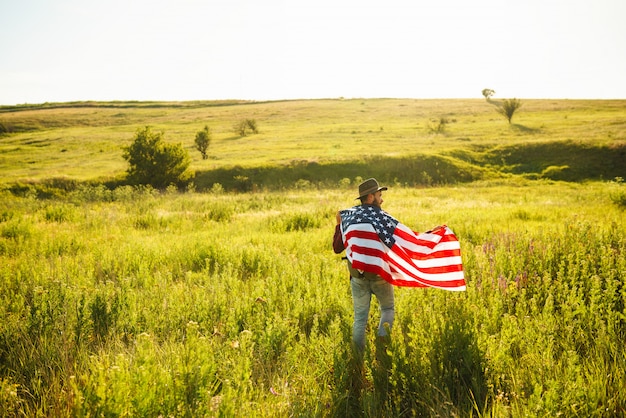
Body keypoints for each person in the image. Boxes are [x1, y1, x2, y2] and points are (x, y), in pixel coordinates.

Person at [333, 178, 395, 353]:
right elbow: (400, 243)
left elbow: (337, 248)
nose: (381, 199)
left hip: (357, 277)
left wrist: (339, 224)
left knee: (360, 319)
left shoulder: (349, 218)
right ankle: (382, 346)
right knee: (388, 309)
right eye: (379, 195)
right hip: (380, 276)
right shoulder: (382, 217)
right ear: (370, 197)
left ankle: (358, 360)